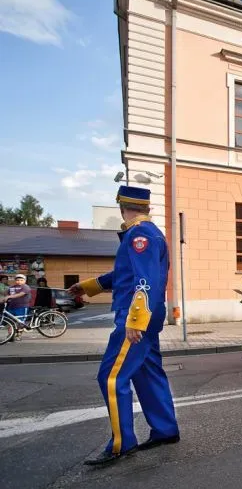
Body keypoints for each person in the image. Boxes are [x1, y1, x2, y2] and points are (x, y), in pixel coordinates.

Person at [68, 186, 179, 466]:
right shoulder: (146, 233)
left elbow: (146, 279)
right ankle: (165, 429)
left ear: (121, 206)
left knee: (112, 377)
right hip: (144, 314)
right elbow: (125, 273)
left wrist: (136, 320)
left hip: (135, 315)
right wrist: (89, 286)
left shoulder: (140, 234)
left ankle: (121, 443)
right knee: (147, 372)